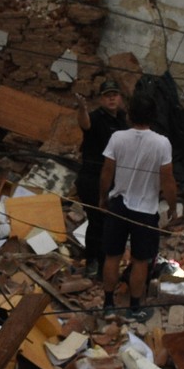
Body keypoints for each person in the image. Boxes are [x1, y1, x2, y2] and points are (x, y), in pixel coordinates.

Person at [99, 92, 178, 323]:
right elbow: (168, 180)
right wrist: (173, 207)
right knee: (141, 260)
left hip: (118, 204)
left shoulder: (118, 138)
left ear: (130, 114)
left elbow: (106, 172)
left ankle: (108, 304)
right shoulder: (162, 143)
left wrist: (102, 198)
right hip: (145, 210)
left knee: (112, 256)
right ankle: (134, 308)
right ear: (153, 116)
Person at [74, 78, 129, 277]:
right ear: (101, 99)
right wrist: (81, 109)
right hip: (93, 179)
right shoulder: (96, 117)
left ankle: (105, 263)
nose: (112, 98)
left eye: (115, 94)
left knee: (110, 223)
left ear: (120, 97)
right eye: (107, 96)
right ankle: (92, 262)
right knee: (96, 222)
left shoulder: (122, 119)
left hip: (115, 180)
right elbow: (85, 124)